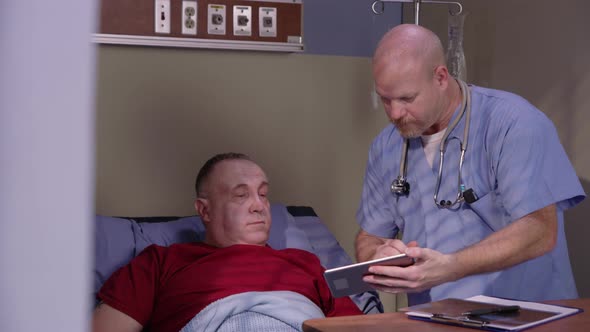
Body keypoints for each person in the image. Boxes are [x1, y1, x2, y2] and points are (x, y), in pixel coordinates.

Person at [355, 24, 585, 306]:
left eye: (406, 99)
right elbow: (370, 235)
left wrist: (449, 266)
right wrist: (376, 258)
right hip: (435, 316)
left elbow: (539, 230)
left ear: (440, 77)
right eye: (385, 99)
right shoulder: (387, 146)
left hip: (529, 313)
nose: (395, 113)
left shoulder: (512, 124)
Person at [93, 153, 362, 332]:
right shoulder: (161, 262)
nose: (259, 206)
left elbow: (358, 327)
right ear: (204, 211)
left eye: (264, 194)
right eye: (241, 195)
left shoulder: (306, 262)